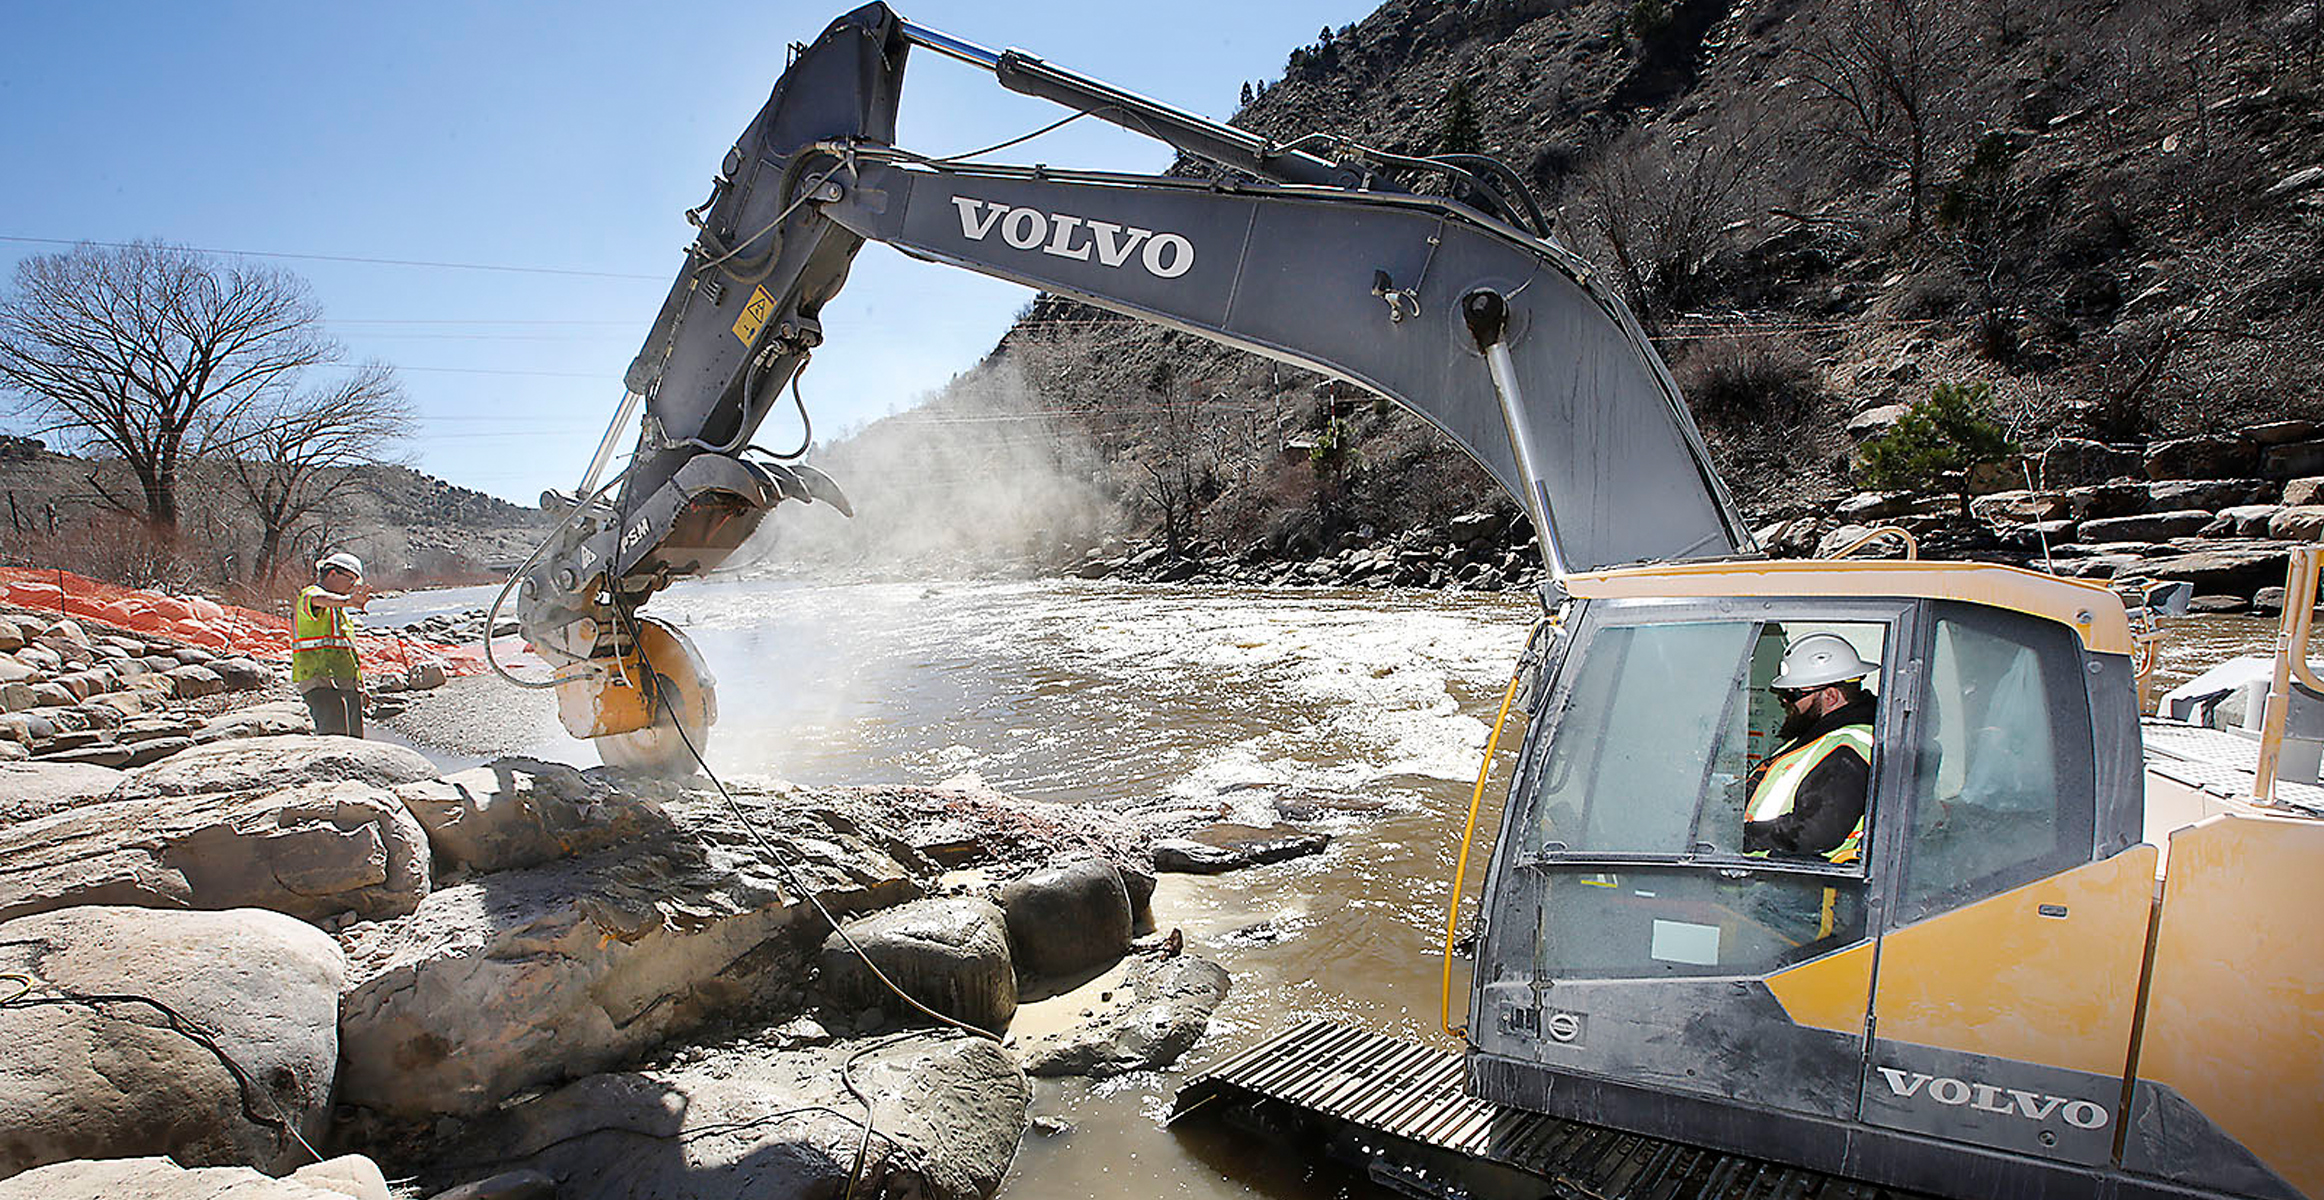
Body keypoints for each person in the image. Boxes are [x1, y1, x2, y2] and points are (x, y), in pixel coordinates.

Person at [1742, 633, 1878, 863]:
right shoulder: (1820, 739)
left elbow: (1814, 831)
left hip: (1799, 883)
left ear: (1831, 696)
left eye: (1792, 694)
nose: (1784, 701)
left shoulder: (1848, 749)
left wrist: (1741, 836)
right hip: (1773, 874)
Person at [294, 552, 371, 738]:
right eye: (350, 579)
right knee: (334, 737)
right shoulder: (312, 595)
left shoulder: (339, 611)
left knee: (354, 738)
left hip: (344, 680)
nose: (352, 586)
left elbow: (347, 650)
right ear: (333, 574)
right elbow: (319, 600)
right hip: (320, 679)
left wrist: (360, 686)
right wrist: (348, 601)